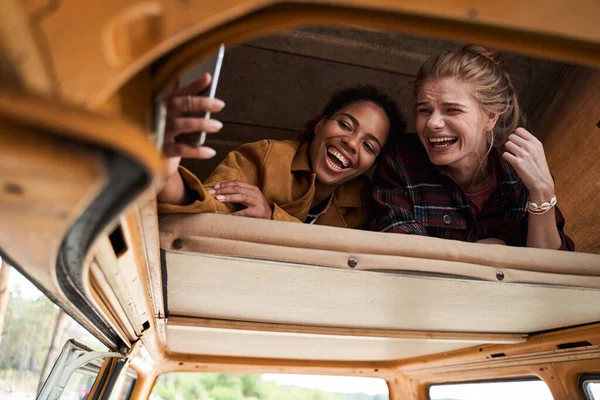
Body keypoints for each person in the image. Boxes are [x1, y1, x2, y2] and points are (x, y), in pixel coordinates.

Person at [373, 44, 574, 250]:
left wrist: (542, 191)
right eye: (424, 110)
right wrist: (485, 252)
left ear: (490, 117)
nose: (433, 123)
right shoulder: (400, 162)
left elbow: (550, 267)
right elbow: (401, 255)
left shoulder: (518, 174)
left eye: (452, 110)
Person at [158, 74, 405, 228]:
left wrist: (272, 220)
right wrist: (164, 170)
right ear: (320, 124)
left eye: (369, 146)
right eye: (345, 125)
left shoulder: (363, 202)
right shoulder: (264, 157)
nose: (352, 143)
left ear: (372, 164)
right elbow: (204, 209)